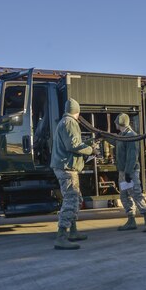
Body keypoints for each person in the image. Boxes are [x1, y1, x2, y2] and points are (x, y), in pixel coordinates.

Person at [50, 98, 95, 250]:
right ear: (78, 111)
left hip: (65, 167)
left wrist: (87, 144)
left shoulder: (63, 122)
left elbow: (70, 144)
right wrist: (91, 150)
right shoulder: (70, 122)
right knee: (71, 199)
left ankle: (73, 231)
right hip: (67, 168)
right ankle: (61, 236)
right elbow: (73, 145)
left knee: (76, 198)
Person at [113, 113, 146, 232]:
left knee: (136, 194)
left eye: (115, 122)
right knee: (124, 195)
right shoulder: (122, 135)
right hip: (123, 171)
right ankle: (131, 220)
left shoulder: (131, 136)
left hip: (130, 172)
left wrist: (128, 172)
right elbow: (116, 142)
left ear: (119, 123)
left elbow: (132, 156)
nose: (114, 123)